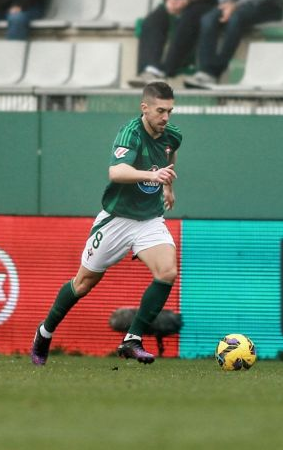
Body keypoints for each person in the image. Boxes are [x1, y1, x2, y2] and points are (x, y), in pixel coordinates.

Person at [31, 81, 182, 366]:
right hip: (117, 219)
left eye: (170, 111)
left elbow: (171, 152)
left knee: (167, 271)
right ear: (144, 108)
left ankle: (132, 339)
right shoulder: (130, 134)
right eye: (160, 111)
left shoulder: (171, 135)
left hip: (148, 219)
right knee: (83, 284)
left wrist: (167, 186)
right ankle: (44, 332)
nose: (166, 118)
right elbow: (117, 172)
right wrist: (151, 176)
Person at [184, 0, 283, 88]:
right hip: (235, 6)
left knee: (236, 19)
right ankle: (205, 71)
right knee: (208, 19)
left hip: (269, 6)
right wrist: (227, 3)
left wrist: (236, 5)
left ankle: (215, 71)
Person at [128, 0, 218, 88]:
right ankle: (150, 71)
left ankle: (165, 71)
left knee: (189, 19)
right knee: (152, 21)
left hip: (206, 1)